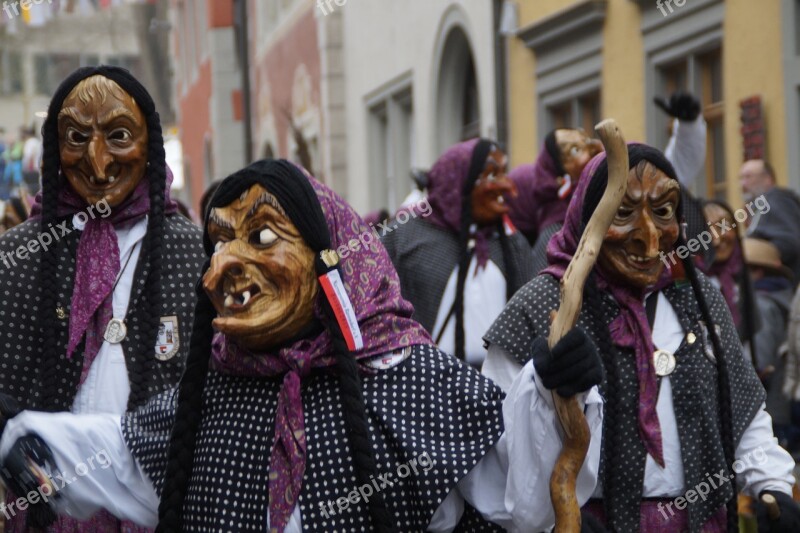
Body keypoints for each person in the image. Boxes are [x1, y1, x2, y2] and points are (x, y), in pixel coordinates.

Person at [0, 159, 606, 531]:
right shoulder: (210, 394)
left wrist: (554, 394)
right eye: (218, 245)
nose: (224, 267)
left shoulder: (409, 377)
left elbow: (521, 496)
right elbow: (124, 457)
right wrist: (32, 440)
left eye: (262, 235)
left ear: (331, 253)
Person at [482, 144, 800, 532]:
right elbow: (499, 457)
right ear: (587, 215)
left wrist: (771, 485)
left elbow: (742, 410)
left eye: (663, 211)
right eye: (623, 213)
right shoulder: (540, 306)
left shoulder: (697, 296)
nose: (649, 237)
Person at [0, 66, 205, 530]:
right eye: (75, 137)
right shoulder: (16, 256)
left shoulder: (197, 254)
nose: (97, 161)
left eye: (118, 136)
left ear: (149, 143)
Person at [381, 139, 535, 368]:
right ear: (457, 181)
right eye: (492, 175)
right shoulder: (405, 237)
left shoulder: (511, 244)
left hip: (502, 386)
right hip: (429, 386)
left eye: (504, 172)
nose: (506, 185)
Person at [742, 238, 795, 449]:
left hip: (770, 408)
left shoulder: (762, 304)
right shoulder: (784, 298)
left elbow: (756, 363)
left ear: (757, 272)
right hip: (785, 404)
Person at [741, 159, 800, 281]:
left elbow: (788, 243)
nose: (743, 184)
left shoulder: (776, 201)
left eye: (748, 177)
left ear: (767, 179)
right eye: (741, 178)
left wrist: (756, 257)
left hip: (778, 285)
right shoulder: (761, 205)